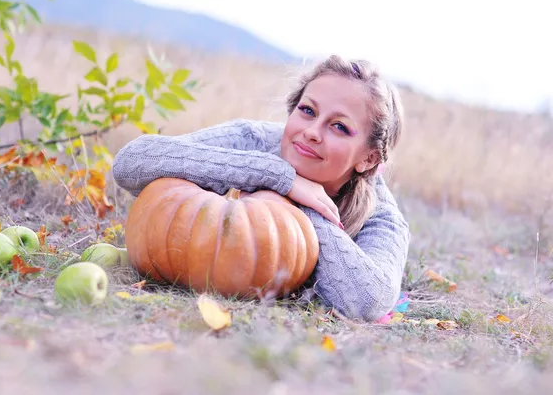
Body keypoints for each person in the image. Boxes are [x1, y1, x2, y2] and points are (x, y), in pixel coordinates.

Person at [112, 54, 411, 322]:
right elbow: (131, 162)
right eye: (308, 111)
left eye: (339, 127)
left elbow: (368, 301)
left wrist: (302, 204)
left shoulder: (382, 217)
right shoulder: (252, 140)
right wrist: (280, 177)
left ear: (369, 157)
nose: (311, 132)